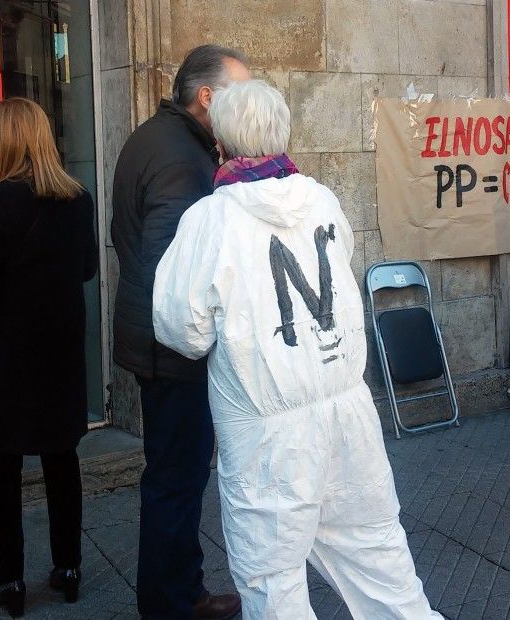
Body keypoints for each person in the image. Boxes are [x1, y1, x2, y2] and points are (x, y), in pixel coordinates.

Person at [153, 80, 442, 619]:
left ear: (221, 140)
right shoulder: (322, 199)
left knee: (273, 581)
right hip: (347, 414)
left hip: (268, 433)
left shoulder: (210, 220)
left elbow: (181, 330)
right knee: (379, 558)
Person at [111, 44, 249, 619]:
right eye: (239, 90)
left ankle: (183, 591)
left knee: (179, 475)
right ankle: (170, 605)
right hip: (173, 348)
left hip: (161, 343)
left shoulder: (167, 140)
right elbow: (174, 265)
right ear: (207, 96)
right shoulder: (177, 156)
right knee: (176, 479)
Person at [0, 98, 99, 618]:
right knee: (62, 460)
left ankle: (11, 582)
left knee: (3, 468)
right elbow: (86, 269)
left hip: (3, 356)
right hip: (56, 351)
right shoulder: (78, 198)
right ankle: (69, 569)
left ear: (9, 139)